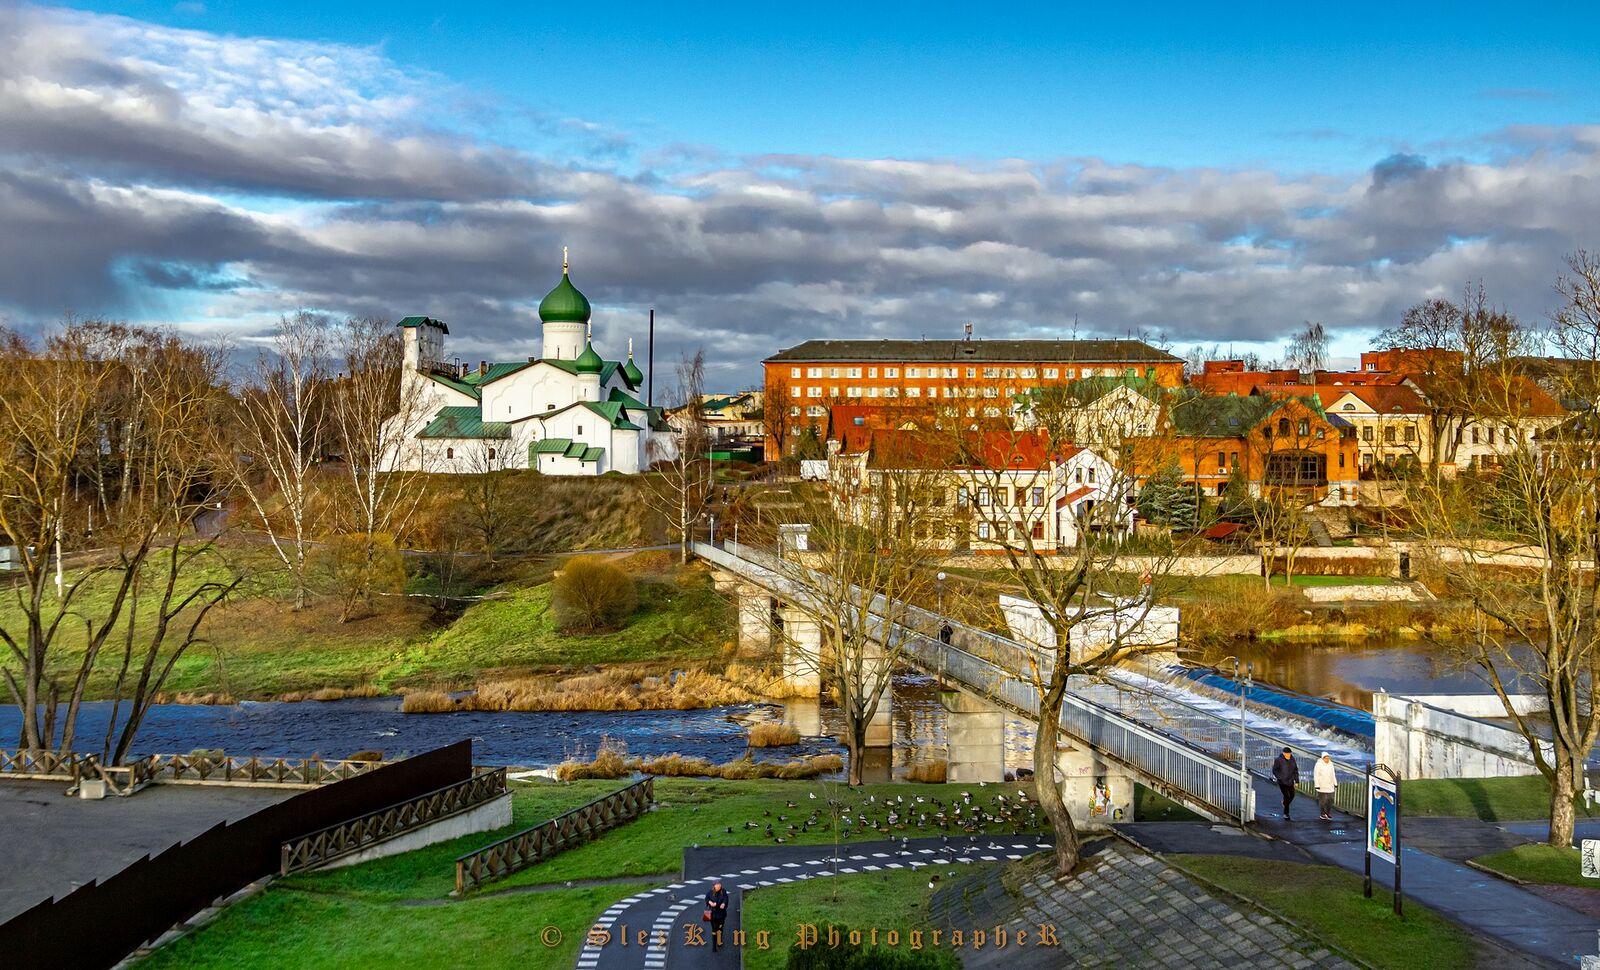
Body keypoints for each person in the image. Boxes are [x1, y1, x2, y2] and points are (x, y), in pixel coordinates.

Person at [1271, 747, 1299, 819]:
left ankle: (1284, 803)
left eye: (1289, 754)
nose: (1288, 755)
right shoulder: (1279, 760)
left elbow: (1295, 770)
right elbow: (1274, 770)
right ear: (1283, 753)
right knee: (1287, 796)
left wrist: (1297, 780)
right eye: (1287, 754)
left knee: (1292, 795)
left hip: (1290, 781)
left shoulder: (1292, 759)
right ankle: (1286, 813)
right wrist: (1279, 777)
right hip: (1282, 782)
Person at [705, 880, 730, 951]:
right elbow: (707, 899)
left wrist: (723, 904)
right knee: (714, 929)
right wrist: (710, 902)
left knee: (720, 928)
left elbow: (726, 899)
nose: (718, 885)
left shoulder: (723, 891)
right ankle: (714, 946)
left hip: (721, 914)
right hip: (713, 915)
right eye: (717, 884)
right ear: (714, 886)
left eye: (719, 884)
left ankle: (719, 941)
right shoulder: (710, 893)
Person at [1313, 753, 1338, 820]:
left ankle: (1328, 812)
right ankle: (1323, 813)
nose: (1327, 759)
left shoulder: (1331, 764)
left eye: (1328, 758)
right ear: (1322, 758)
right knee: (1323, 801)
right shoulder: (1318, 764)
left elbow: (1333, 774)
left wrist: (1335, 783)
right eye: (1325, 758)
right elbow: (1316, 775)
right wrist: (1317, 785)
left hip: (1330, 785)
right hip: (1322, 786)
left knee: (1330, 799)